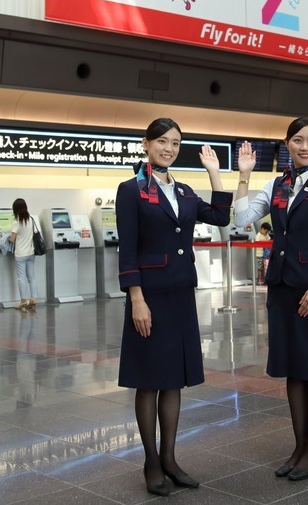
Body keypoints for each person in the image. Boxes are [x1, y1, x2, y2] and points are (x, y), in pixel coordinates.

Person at [116, 118, 232, 497]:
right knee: (150, 380)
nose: (168, 148)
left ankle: (170, 457)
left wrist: (215, 173)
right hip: (149, 297)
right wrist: (136, 299)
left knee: (174, 379)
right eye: (162, 141)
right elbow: (128, 248)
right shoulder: (130, 190)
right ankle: (151, 461)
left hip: (181, 294)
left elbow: (219, 217)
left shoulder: (182, 190)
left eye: (175, 143)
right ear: (146, 144)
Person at [233, 117, 308, 482]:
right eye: (297, 140)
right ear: (287, 143)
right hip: (282, 286)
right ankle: (300, 446)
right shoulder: (277, 184)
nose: (304, 147)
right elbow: (242, 219)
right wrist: (244, 176)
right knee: (294, 368)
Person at [8, 198, 40, 310]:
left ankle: (23, 301)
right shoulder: (31, 219)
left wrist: (7, 237)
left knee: (21, 278)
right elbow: (35, 233)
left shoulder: (16, 222)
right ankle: (33, 299)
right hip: (31, 253)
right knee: (31, 277)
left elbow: (12, 239)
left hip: (21, 254)